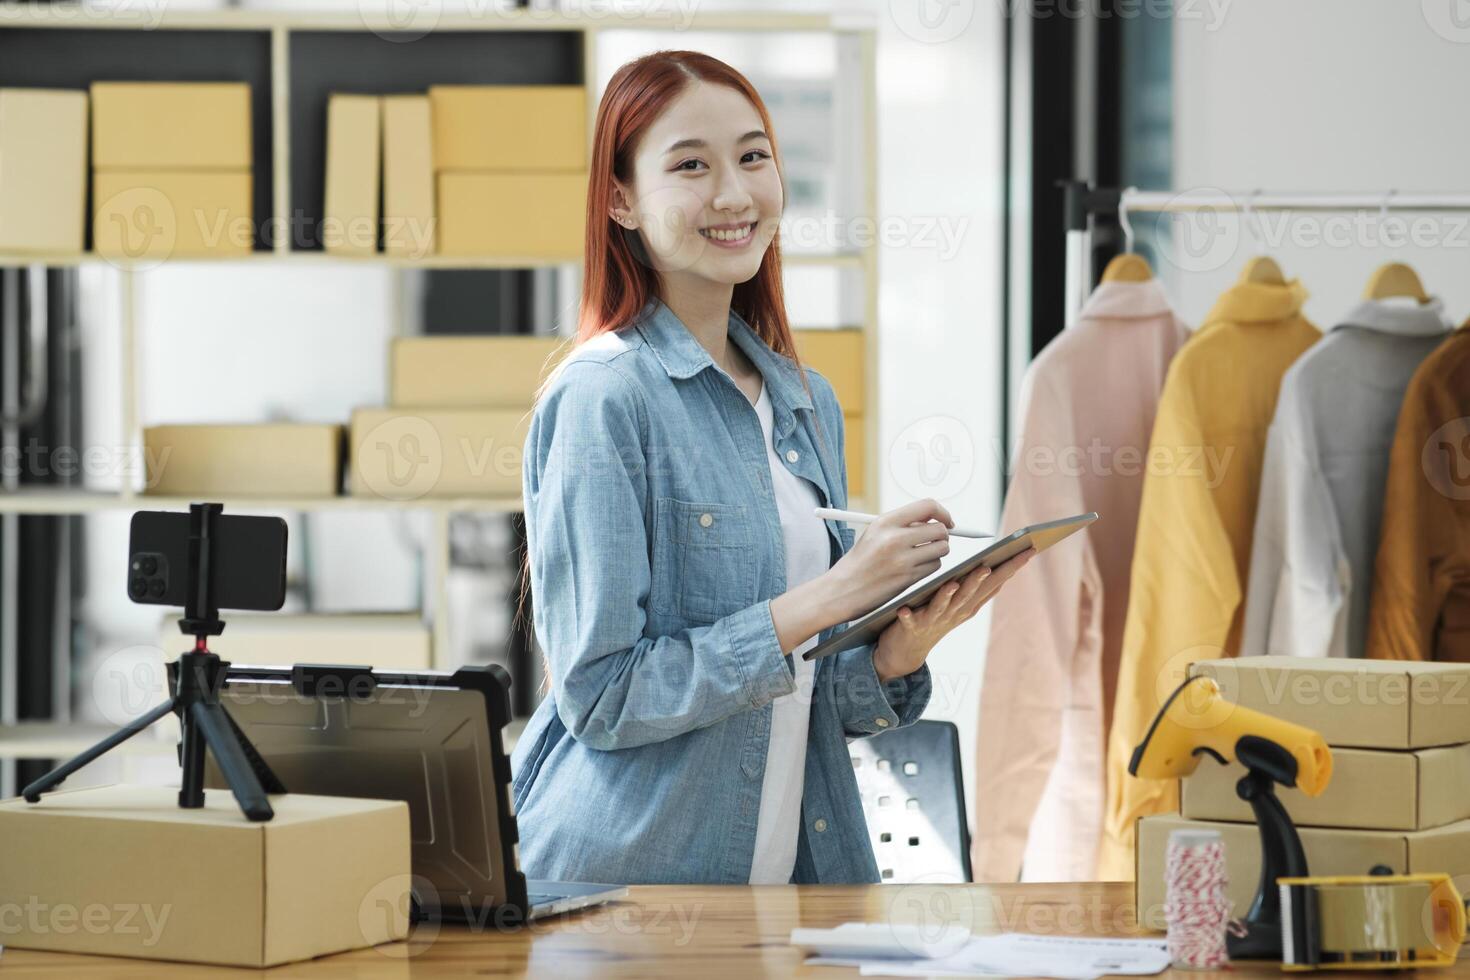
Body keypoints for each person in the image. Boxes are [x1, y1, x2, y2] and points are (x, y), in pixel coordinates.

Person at [509, 50, 1034, 885]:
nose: (733, 194)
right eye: (691, 166)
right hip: (625, 893)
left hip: (793, 883)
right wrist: (830, 595)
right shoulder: (604, 399)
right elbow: (603, 697)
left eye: (754, 157)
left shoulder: (803, 399)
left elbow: (799, 700)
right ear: (620, 199)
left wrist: (894, 654)